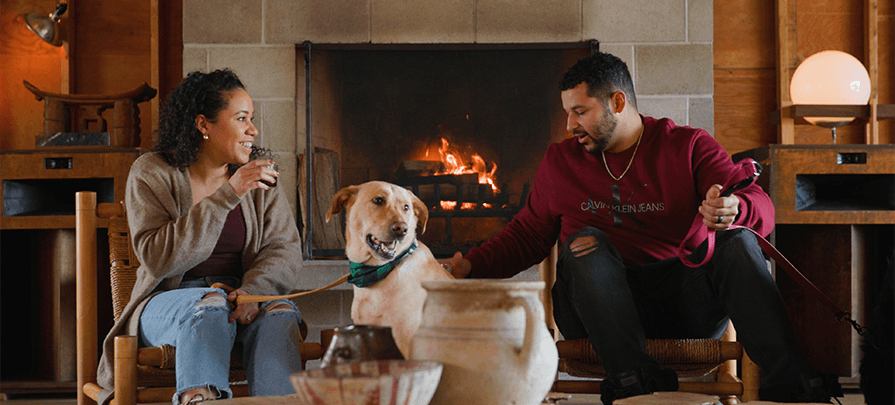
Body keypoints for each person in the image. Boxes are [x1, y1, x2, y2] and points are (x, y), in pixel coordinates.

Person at [441, 52, 836, 404]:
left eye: (580, 111)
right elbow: (528, 235)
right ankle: (631, 377)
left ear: (617, 102)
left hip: (684, 306)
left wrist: (736, 208)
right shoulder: (560, 161)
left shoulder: (688, 146)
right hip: (596, 310)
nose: (569, 125)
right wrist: (472, 266)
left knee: (736, 241)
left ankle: (792, 384)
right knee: (585, 242)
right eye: (567, 112)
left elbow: (761, 206)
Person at [94, 69, 305, 405]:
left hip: (242, 300)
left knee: (280, 311)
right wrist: (228, 194)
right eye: (241, 118)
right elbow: (158, 257)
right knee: (209, 304)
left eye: (251, 118)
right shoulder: (152, 172)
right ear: (203, 124)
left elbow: (283, 247)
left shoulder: (258, 177)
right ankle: (199, 399)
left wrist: (256, 291)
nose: (253, 130)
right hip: (167, 303)